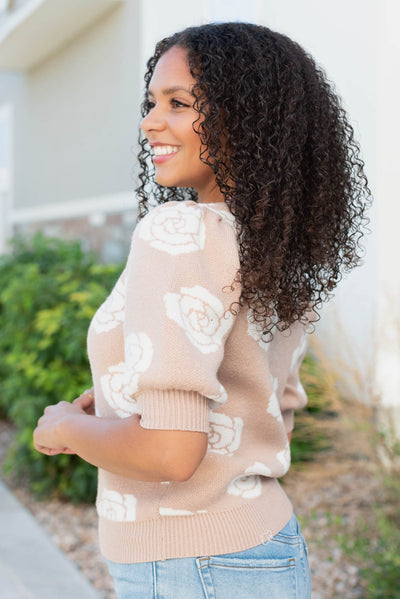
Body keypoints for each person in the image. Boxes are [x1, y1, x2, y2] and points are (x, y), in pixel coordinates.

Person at [33, 22, 372, 599]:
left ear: (247, 117)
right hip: (258, 545)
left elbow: (170, 451)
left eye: (178, 102)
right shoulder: (269, 245)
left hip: (193, 564)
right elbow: (264, 403)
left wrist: (67, 428)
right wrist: (119, 396)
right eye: (151, 102)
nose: (149, 121)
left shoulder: (178, 231)